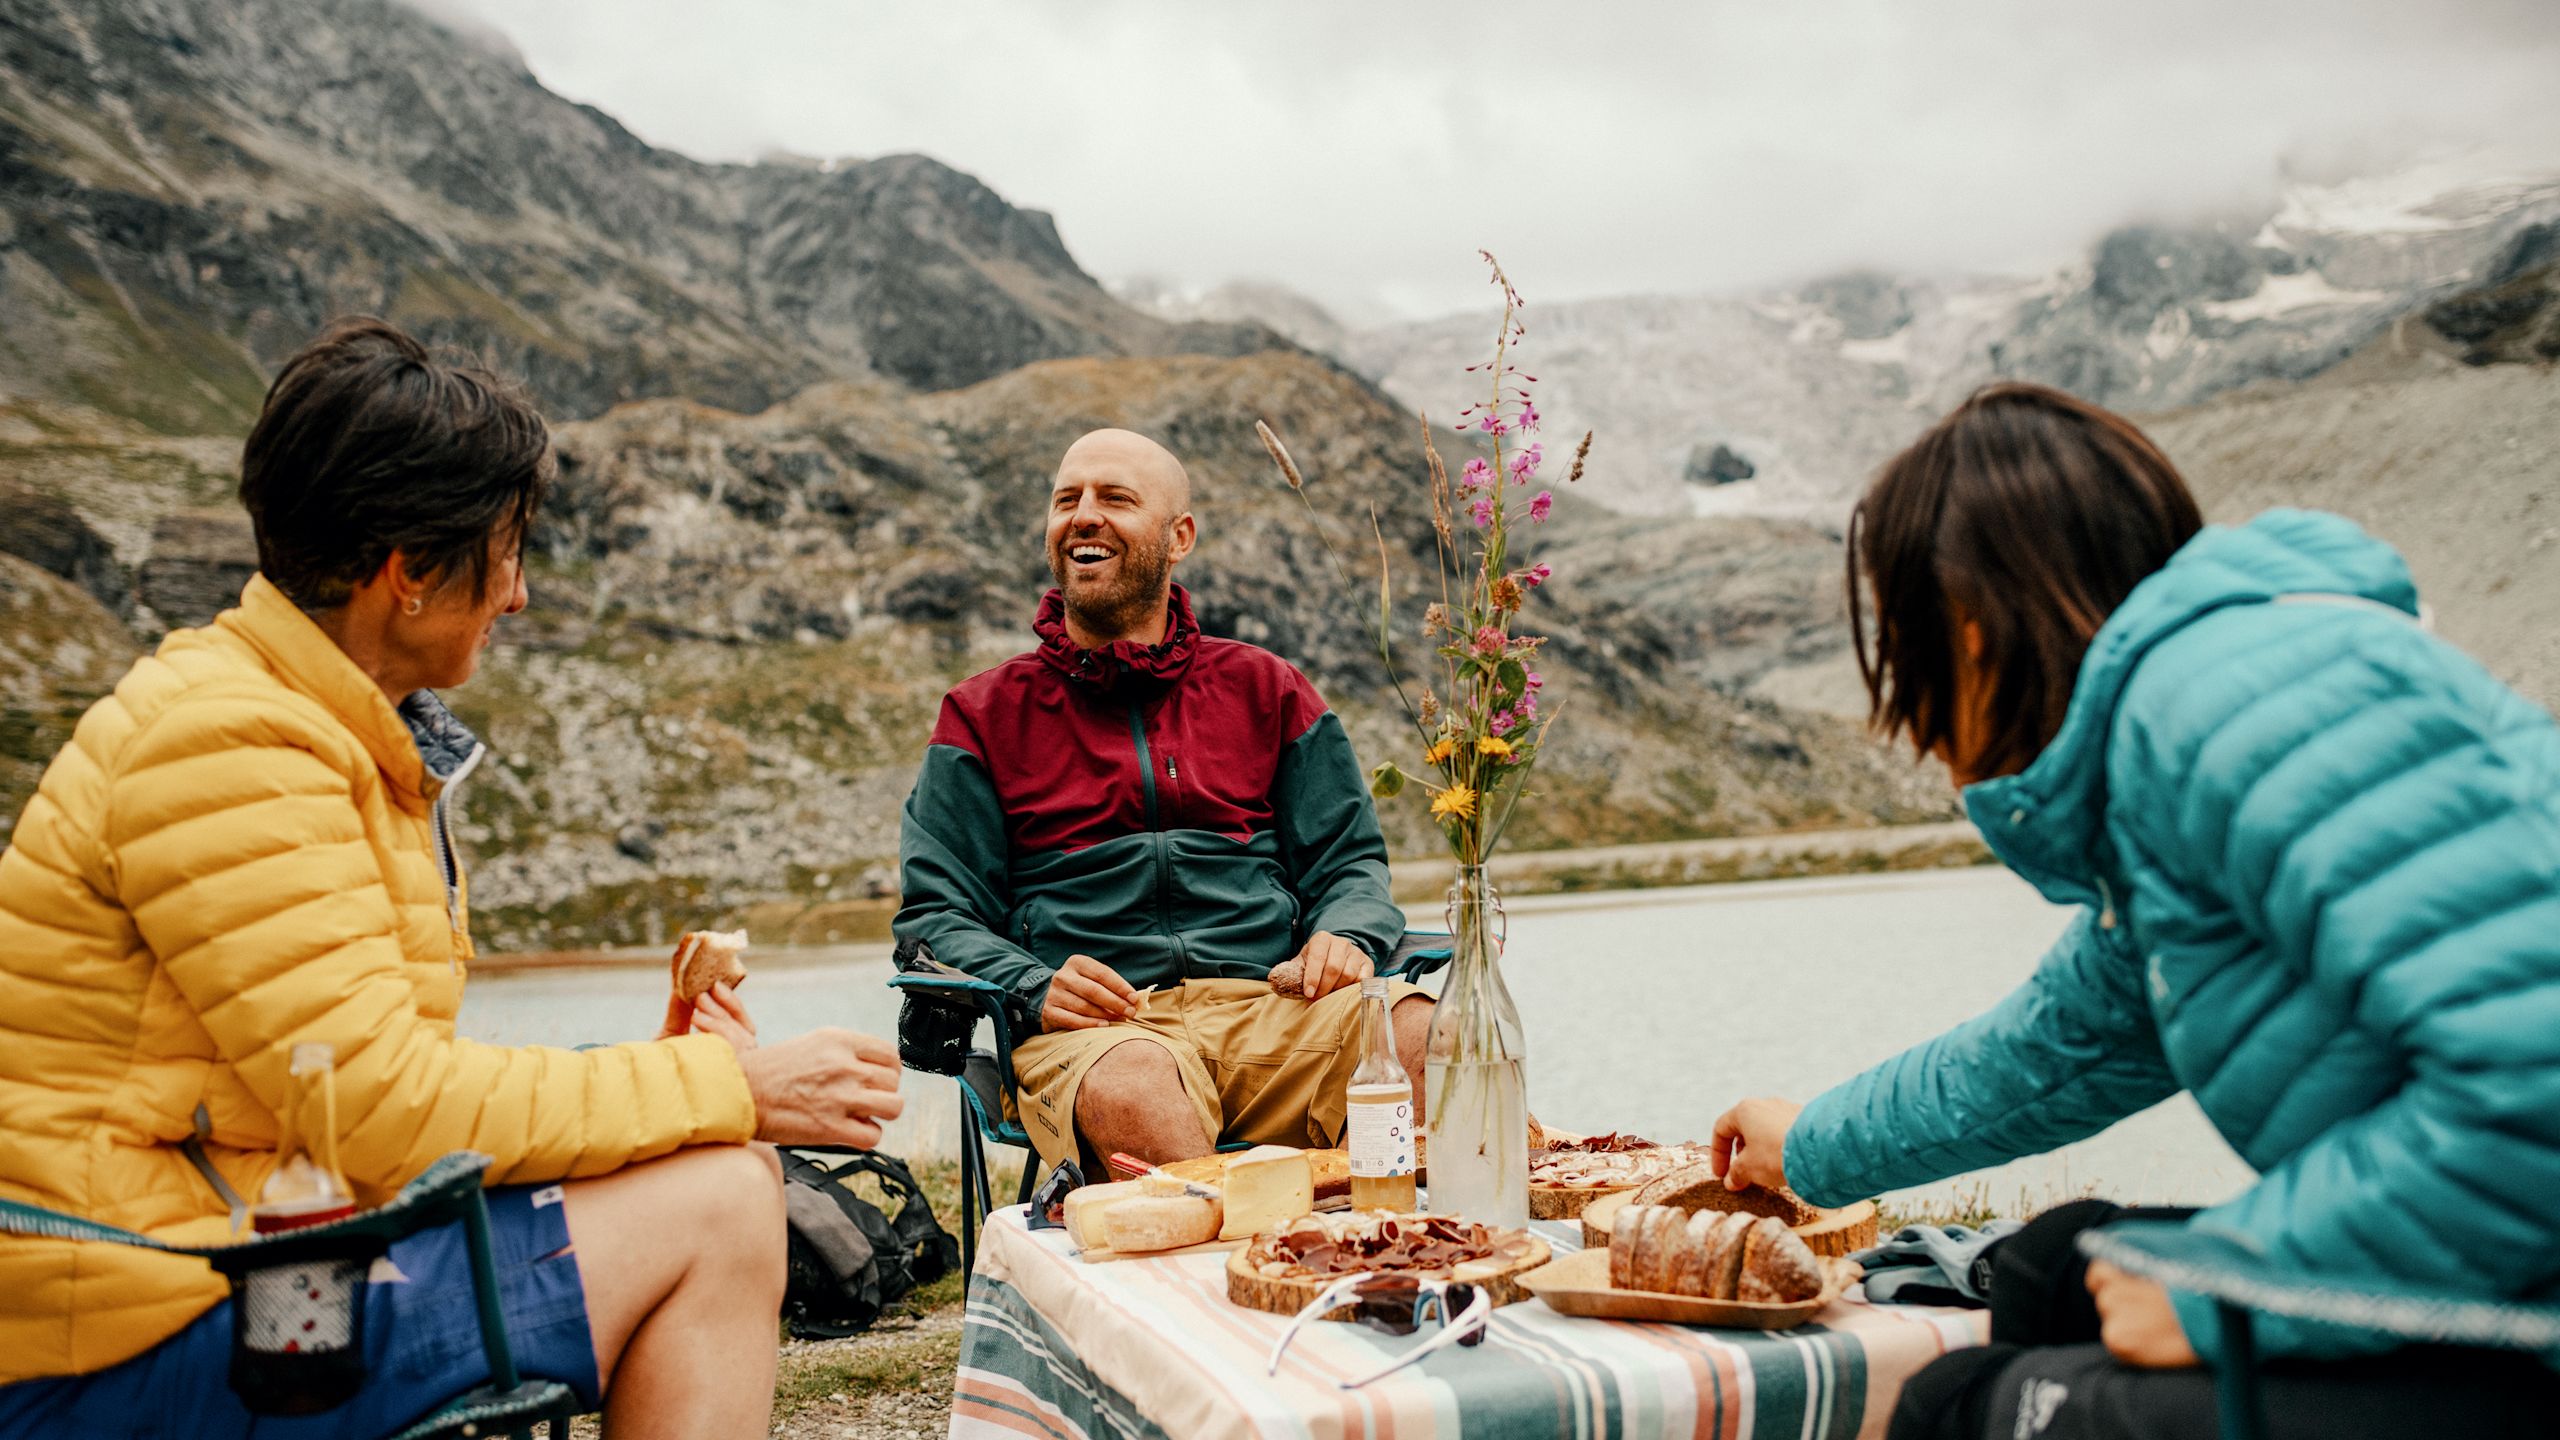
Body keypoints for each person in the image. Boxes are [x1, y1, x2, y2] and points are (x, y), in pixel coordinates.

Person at [0, 318, 904, 1440]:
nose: (517, 594)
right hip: (128, 1329)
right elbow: (383, 1108)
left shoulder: (299, 720)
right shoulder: (228, 747)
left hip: (233, 1257)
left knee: (717, 1160)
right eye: (507, 552)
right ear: (411, 574)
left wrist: (670, 1085)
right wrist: (727, 1088)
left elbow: (350, 1084)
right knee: (721, 1199)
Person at [1711, 382, 2560, 1440]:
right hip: (2506, 1249)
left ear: (1966, 630)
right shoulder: (2191, 721)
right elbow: (2050, 1052)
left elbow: (2538, 1082)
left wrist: (2232, 1286)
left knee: (1954, 1408)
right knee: (2045, 1271)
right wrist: (1810, 1149)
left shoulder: (2225, 709)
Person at [895, 427, 1418, 1174]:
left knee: (1437, 1038)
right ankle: (1249, 1244)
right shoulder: (981, 715)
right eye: (1066, 500)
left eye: (1115, 498)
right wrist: (1033, 986)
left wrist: (1347, 934)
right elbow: (936, 916)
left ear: (1179, 537)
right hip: (1101, 1034)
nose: (1084, 515)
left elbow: (1350, 864)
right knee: (1137, 1085)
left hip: (1275, 1011)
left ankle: (1389, 1250)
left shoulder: (1267, 688)